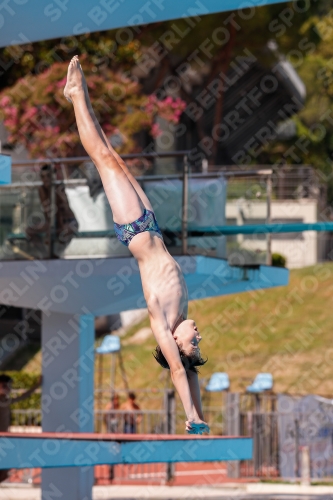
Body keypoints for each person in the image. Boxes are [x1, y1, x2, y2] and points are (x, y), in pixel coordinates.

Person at [64, 56, 209, 435]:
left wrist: (191, 418)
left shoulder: (163, 323)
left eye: (194, 343)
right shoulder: (182, 314)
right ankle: (82, 98)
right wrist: (201, 408)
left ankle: (76, 97)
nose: (198, 336)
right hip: (151, 226)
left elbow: (180, 369)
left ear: (177, 344)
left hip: (133, 228)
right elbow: (191, 373)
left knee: (102, 160)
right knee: (113, 157)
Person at [26, 164, 79, 252]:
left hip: (68, 221)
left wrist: (55, 228)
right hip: (53, 222)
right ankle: (44, 255)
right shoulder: (41, 189)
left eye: (48, 176)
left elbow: (63, 210)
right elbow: (47, 210)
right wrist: (50, 227)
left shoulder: (59, 188)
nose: (45, 179)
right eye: (43, 177)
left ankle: (55, 255)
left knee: (60, 233)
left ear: (53, 177)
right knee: (30, 231)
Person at [0, 374, 42, 483]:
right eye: (4, 386)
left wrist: (37, 385)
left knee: (5, 467)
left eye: (9, 386)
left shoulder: (6, 401)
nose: (8, 389)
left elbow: (23, 396)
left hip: (4, 438)